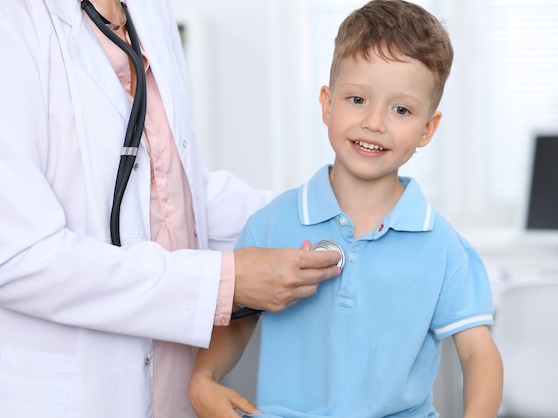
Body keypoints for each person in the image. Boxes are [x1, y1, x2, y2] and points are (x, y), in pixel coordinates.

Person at [0, 0, 342, 417]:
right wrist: (223, 280)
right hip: (60, 394)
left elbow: (171, 185)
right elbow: (15, 256)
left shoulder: (147, 9)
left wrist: (316, 213)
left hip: (170, 384)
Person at [187, 0, 504, 417]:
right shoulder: (270, 224)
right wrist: (203, 379)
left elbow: (479, 354)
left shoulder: (445, 248)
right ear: (327, 104)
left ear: (428, 128)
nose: (374, 122)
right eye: (357, 99)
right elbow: (238, 318)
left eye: (401, 109)